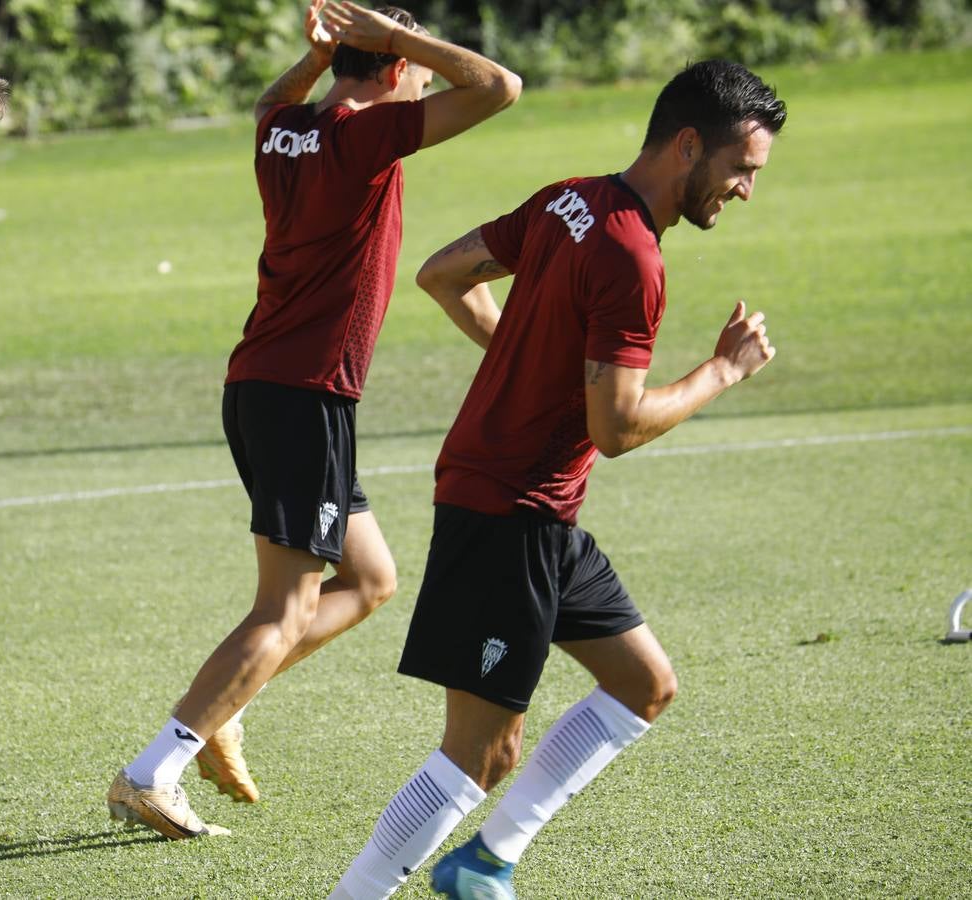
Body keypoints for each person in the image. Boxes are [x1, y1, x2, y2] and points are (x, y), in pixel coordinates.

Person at [328, 59, 787, 899]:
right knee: (479, 754)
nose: (745, 190)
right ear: (689, 146)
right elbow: (615, 428)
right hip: (508, 513)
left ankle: (487, 862)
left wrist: (531, 364)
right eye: (740, 170)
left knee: (643, 685)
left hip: (537, 511)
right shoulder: (634, 258)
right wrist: (722, 373)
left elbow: (441, 274)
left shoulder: (567, 198)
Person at [108, 1, 521, 841]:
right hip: (304, 394)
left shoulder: (284, 129)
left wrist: (327, 51)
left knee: (369, 579)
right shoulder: (367, 137)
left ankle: (229, 701)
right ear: (398, 70)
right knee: (283, 610)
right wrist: (394, 36)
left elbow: (269, 102)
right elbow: (497, 86)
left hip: (268, 386)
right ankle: (153, 771)